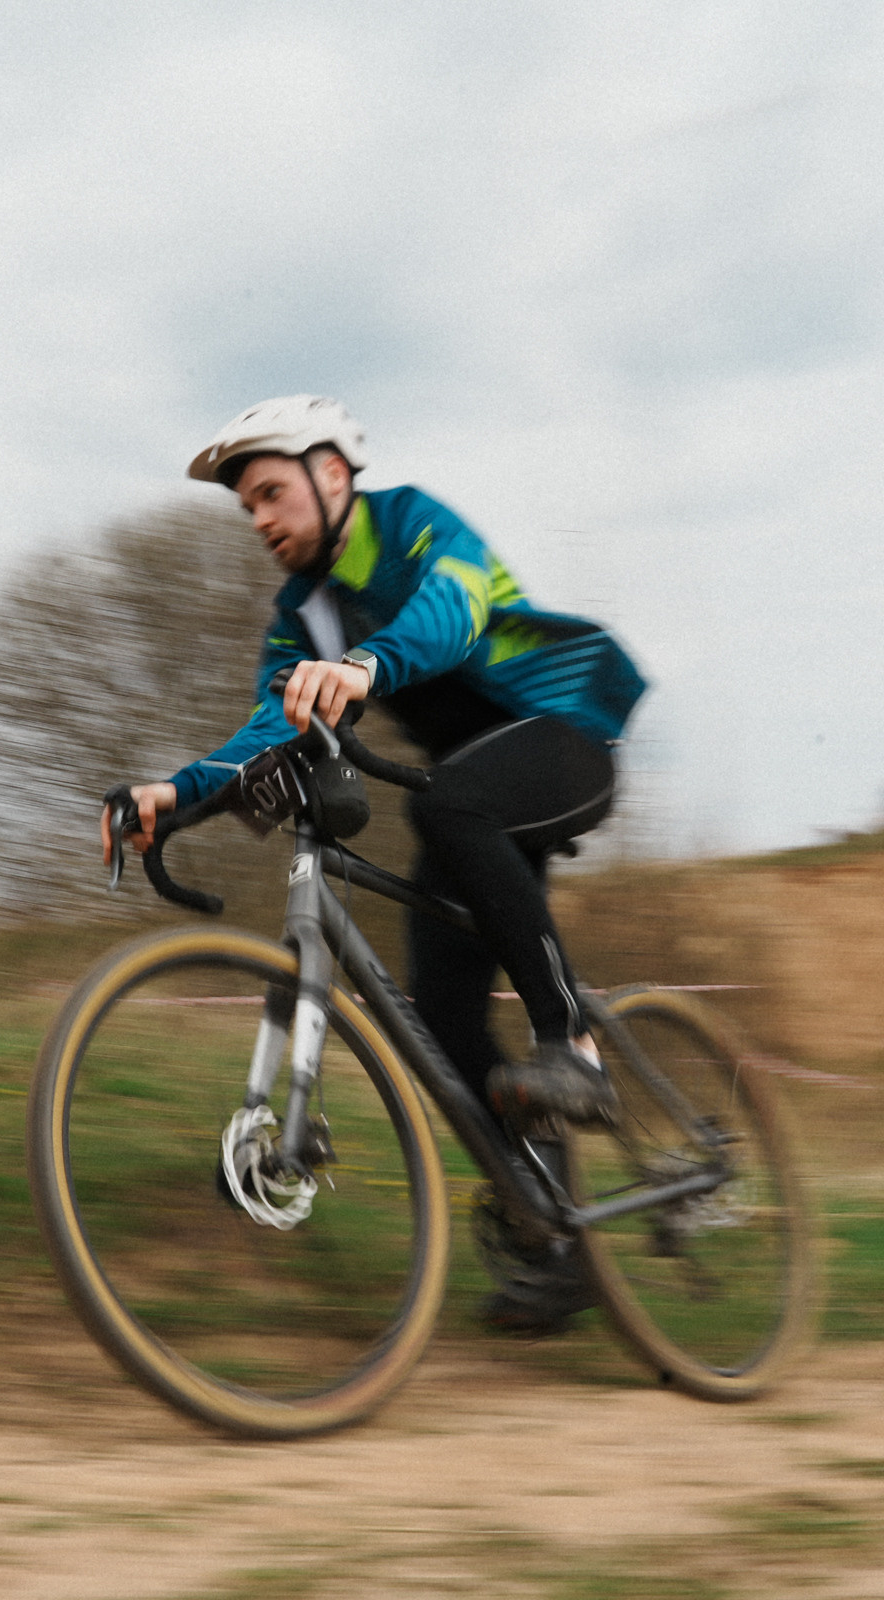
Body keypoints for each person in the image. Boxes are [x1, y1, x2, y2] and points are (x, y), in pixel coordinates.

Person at [101, 395, 647, 1331]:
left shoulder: (412, 523)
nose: (262, 520)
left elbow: (456, 608)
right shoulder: (301, 612)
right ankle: (557, 1237)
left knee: (450, 804)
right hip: (471, 798)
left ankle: (575, 1052)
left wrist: (363, 668)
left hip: (564, 736)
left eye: (273, 493)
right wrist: (177, 797)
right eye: (249, 509)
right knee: (440, 1011)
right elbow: (272, 723)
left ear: (335, 474)